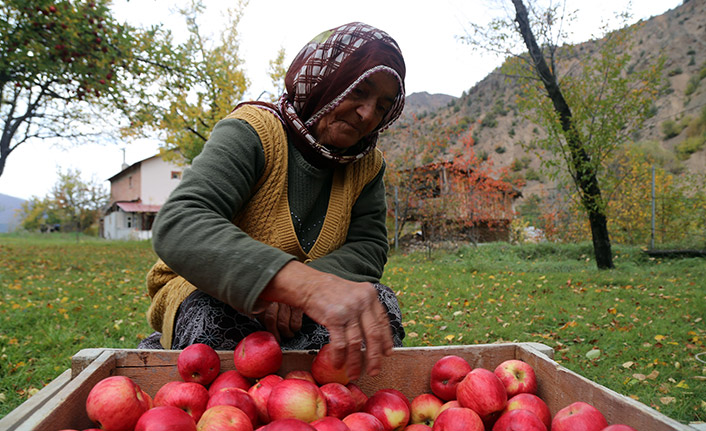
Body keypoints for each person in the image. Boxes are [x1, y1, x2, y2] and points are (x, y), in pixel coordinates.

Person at [138, 22, 406, 380]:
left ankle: (303, 391)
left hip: (308, 301)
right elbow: (181, 224)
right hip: (215, 289)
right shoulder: (253, 131)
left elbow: (368, 246)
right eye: (360, 91)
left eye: (383, 106)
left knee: (377, 307)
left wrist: (304, 288)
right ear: (323, 79)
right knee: (212, 324)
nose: (368, 114)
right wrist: (293, 285)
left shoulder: (367, 166)